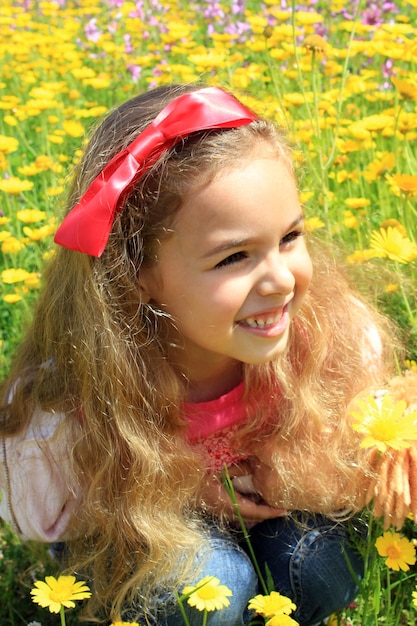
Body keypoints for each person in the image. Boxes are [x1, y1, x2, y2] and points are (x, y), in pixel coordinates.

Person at [0, 84, 394, 626]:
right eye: (234, 257)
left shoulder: (328, 338)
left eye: (290, 236)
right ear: (137, 272)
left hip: (274, 522)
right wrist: (178, 492)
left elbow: (360, 461)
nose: (280, 279)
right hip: (136, 531)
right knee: (205, 584)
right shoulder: (77, 390)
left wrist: (302, 473)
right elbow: (40, 521)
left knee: (316, 562)